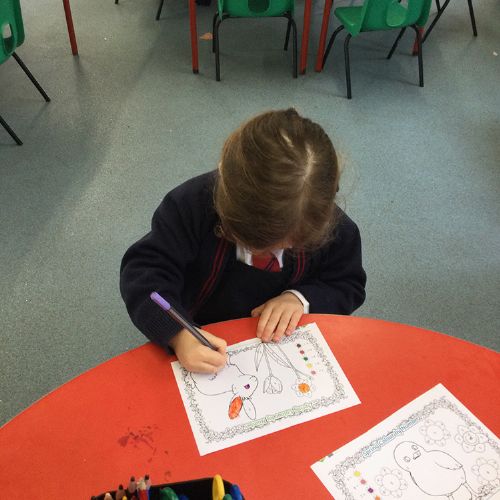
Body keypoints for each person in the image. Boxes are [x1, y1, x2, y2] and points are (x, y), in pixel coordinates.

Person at [120, 108, 366, 374]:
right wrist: (179, 334)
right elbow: (144, 276)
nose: (271, 256)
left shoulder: (331, 226)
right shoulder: (190, 205)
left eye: (292, 246)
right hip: (199, 331)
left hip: (282, 350)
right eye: (258, 246)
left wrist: (300, 299)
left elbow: (347, 283)